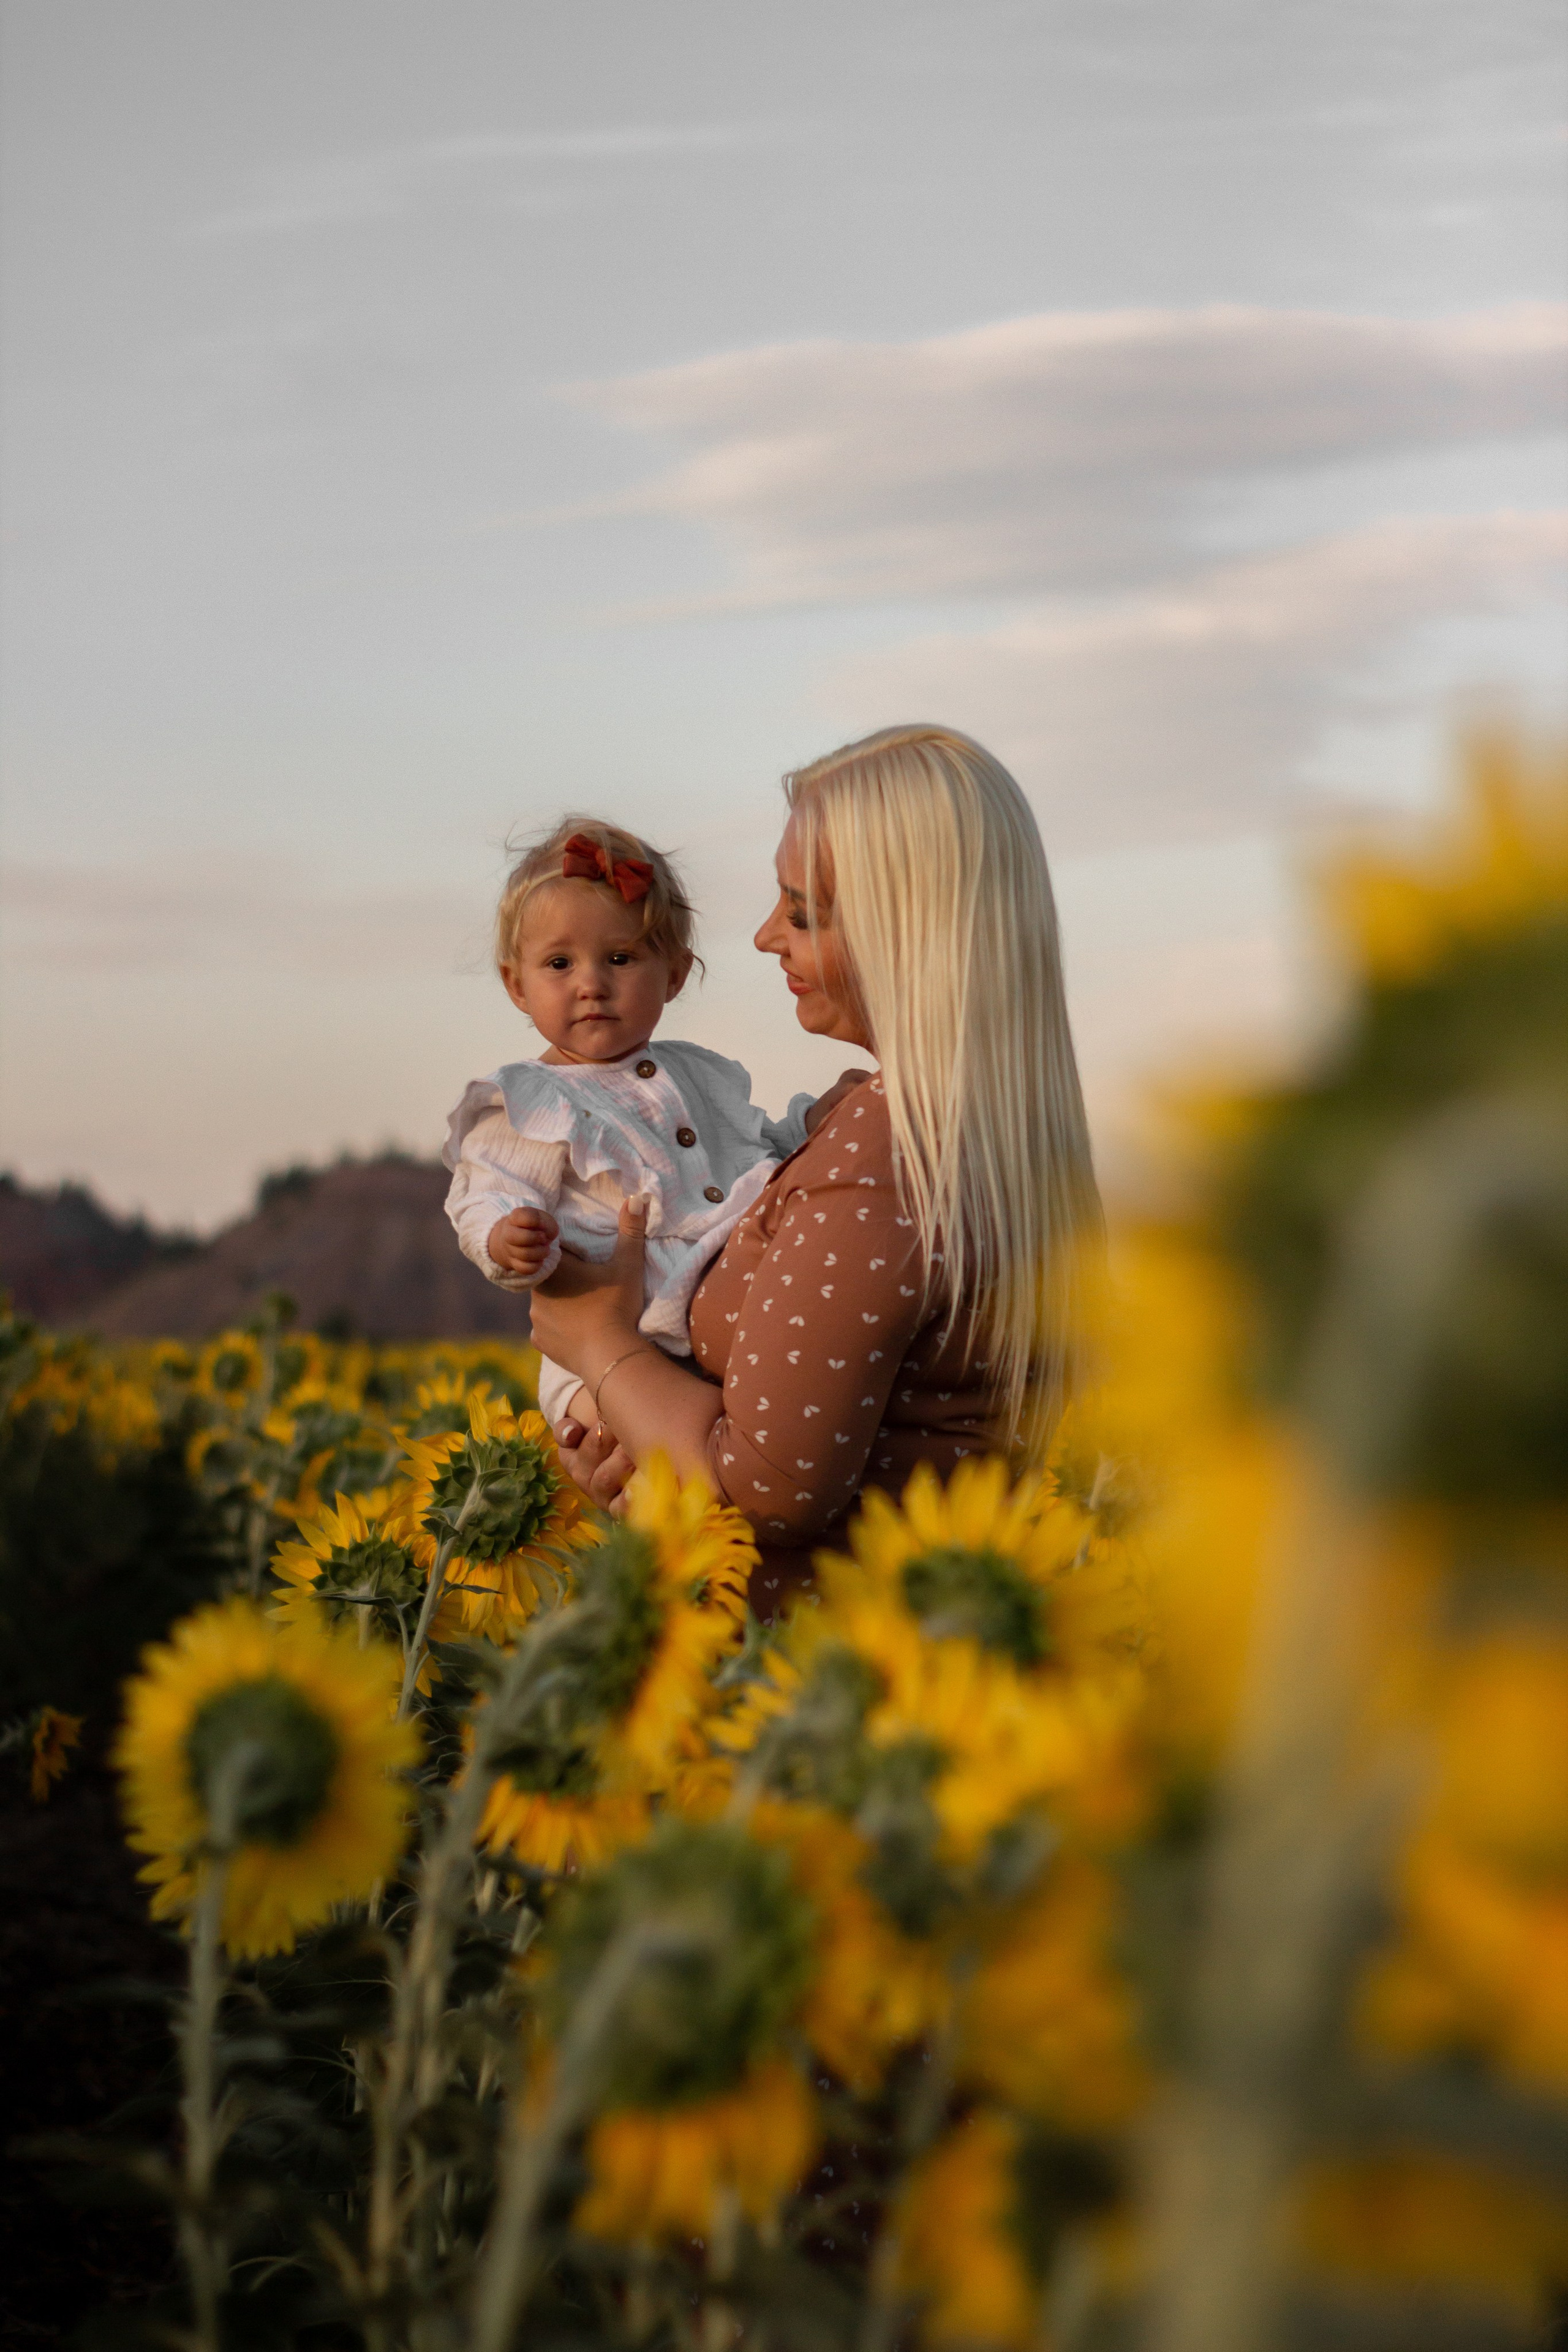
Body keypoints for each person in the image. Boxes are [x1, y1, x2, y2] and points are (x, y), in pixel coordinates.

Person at [530, 726, 1103, 1616]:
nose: (765, 937)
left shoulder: (887, 1152)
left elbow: (763, 1487)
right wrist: (632, 1437)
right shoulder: (966, 1127)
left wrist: (600, 1348)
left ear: (903, 932)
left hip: (816, 1699)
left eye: (802, 912)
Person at [443, 816, 865, 1433]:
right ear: (517, 985)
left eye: (619, 958)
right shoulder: (533, 1101)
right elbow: (486, 1192)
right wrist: (507, 1239)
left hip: (714, 1315)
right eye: (559, 964)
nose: (591, 984)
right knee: (616, 1445)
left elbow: (754, 1153)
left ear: (672, 974)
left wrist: (811, 1121)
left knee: (746, 1440)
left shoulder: (695, 1073)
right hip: (609, 1337)